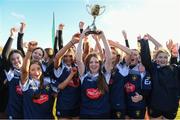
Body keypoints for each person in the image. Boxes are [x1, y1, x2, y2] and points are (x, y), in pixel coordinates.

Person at [139, 36, 180, 119]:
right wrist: (145, 43)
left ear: (168, 59)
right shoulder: (152, 68)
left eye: (165, 57)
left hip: (170, 108)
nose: (163, 59)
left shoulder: (174, 69)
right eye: (160, 57)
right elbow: (145, 58)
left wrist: (175, 53)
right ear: (155, 58)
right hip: (155, 107)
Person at [76, 28, 112, 118]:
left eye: (96, 62)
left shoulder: (105, 74)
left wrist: (103, 37)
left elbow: (109, 58)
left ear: (100, 64)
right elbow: (78, 59)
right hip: (86, 114)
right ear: (87, 64)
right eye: (91, 62)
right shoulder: (84, 75)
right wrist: (81, 37)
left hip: (103, 114)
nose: (94, 64)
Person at [20, 41, 54, 119]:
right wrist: (29, 51)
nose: (36, 72)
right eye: (32, 70)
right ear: (29, 71)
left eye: (39, 69)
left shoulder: (47, 82)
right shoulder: (26, 83)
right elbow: (24, 71)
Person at [52, 32, 81, 118]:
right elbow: (57, 57)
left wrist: (82, 39)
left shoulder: (77, 66)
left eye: (70, 56)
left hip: (77, 105)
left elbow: (85, 53)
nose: (68, 58)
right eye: (65, 56)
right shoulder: (59, 68)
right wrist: (71, 42)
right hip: (63, 105)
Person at [1, 27, 24, 119]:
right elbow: (4, 55)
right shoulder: (10, 73)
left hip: (28, 110)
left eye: (18, 58)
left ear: (23, 58)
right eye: (13, 59)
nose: (16, 61)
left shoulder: (31, 71)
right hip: (14, 111)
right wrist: (12, 36)